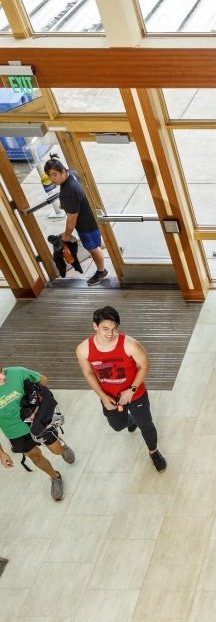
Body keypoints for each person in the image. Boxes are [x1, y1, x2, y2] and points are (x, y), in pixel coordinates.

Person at [75, 306, 166, 472]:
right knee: (117, 426)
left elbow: (145, 365)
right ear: (95, 326)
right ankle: (131, 420)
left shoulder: (130, 345)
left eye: (114, 328)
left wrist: (131, 390)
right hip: (109, 397)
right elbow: (88, 373)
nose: (110, 333)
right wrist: (102, 396)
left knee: (146, 425)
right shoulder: (83, 349)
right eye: (105, 329)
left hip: (135, 394)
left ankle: (153, 452)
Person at [0, 365, 75, 500]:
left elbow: (43, 381)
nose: (3, 377)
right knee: (35, 457)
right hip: (15, 432)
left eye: (0, 371)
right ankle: (55, 477)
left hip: (38, 421)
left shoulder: (17, 372)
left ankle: (63, 446)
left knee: (56, 450)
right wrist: (1, 454)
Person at [44, 154, 109, 286]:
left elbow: (72, 218)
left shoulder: (69, 191)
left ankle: (101, 271)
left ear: (62, 171)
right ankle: (100, 244)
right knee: (95, 242)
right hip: (92, 215)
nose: (52, 179)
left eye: (54, 175)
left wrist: (67, 236)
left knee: (92, 249)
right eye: (49, 175)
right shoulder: (72, 173)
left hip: (86, 224)